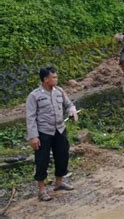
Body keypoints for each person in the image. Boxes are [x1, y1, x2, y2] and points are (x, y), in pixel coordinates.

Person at [26, 66, 78, 202]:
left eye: (56, 76)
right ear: (45, 79)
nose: (56, 79)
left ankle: (59, 183)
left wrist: (72, 111)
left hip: (60, 129)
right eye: (53, 77)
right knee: (42, 160)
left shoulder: (59, 91)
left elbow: (69, 104)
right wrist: (33, 136)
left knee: (63, 156)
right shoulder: (34, 96)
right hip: (43, 132)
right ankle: (42, 190)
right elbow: (30, 117)